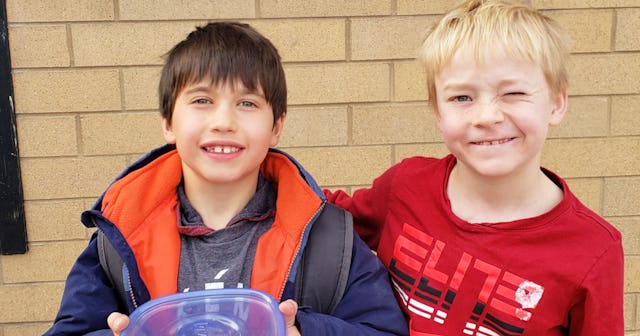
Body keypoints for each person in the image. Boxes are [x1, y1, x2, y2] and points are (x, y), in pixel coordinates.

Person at [44, 22, 408, 336]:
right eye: (202, 100)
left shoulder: (329, 239)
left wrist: (305, 330)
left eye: (247, 103)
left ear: (276, 127)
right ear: (169, 122)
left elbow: (384, 329)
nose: (224, 121)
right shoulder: (119, 237)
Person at [325, 1, 624, 335]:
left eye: (512, 93)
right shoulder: (406, 186)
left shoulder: (594, 250)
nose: (486, 117)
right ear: (437, 111)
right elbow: (323, 218)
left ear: (556, 103)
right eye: (462, 98)